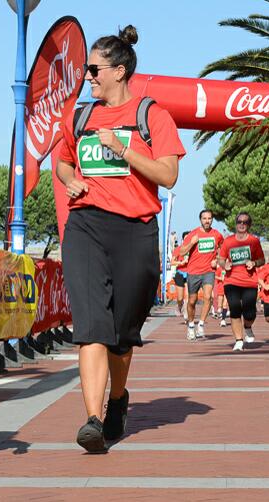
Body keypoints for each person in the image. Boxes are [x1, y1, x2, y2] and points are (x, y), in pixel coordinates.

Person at [56, 25, 185, 453]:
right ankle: (92, 420)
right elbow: (62, 163)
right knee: (92, 327)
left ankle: (117, 400)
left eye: (94, 69)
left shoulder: (152, 115)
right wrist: (72, 178)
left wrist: (122, 149)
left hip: (135, 230)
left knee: (122, 333)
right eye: (86, 70)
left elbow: (168, 175)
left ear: (119, 70)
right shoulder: (80, 115)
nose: (88, 76)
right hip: (86, 227)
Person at [217, 212, 265, 351]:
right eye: (239, 222)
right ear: (236, 223)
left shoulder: (254, 241)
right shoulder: (229, 241)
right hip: (231, 281)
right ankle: (238, 340)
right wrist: (224, 265)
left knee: (250, 313)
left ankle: (248, 326)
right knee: (235, 308)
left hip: (249, 282)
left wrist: (254, 263)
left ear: (249, 225)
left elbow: (262, 260)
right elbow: (221, 258)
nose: (242, 224)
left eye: (245, 222)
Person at [181, 210, 224, 340]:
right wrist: (192, 243)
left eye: (209, 218)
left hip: (208, 271)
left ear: (212, 220)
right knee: (192, 302)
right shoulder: (193, 234)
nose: (207, 221)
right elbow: (182, 252)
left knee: (208, 297)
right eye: (204, 218)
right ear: (200, 220)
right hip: (193, 272)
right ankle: (190, 325)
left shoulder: (217, 235)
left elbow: (223, 249)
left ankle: (201, 324)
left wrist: (217, 260)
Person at [171, 231, 190, 322]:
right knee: (180, 298)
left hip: (190, 273)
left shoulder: (193, 249)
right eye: (186, 238)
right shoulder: (178, 249)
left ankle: (186, 314)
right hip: (180, 273)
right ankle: (179, 306)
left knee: (188, 296)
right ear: (183, 239)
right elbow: (172, 262)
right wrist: (181, 262)